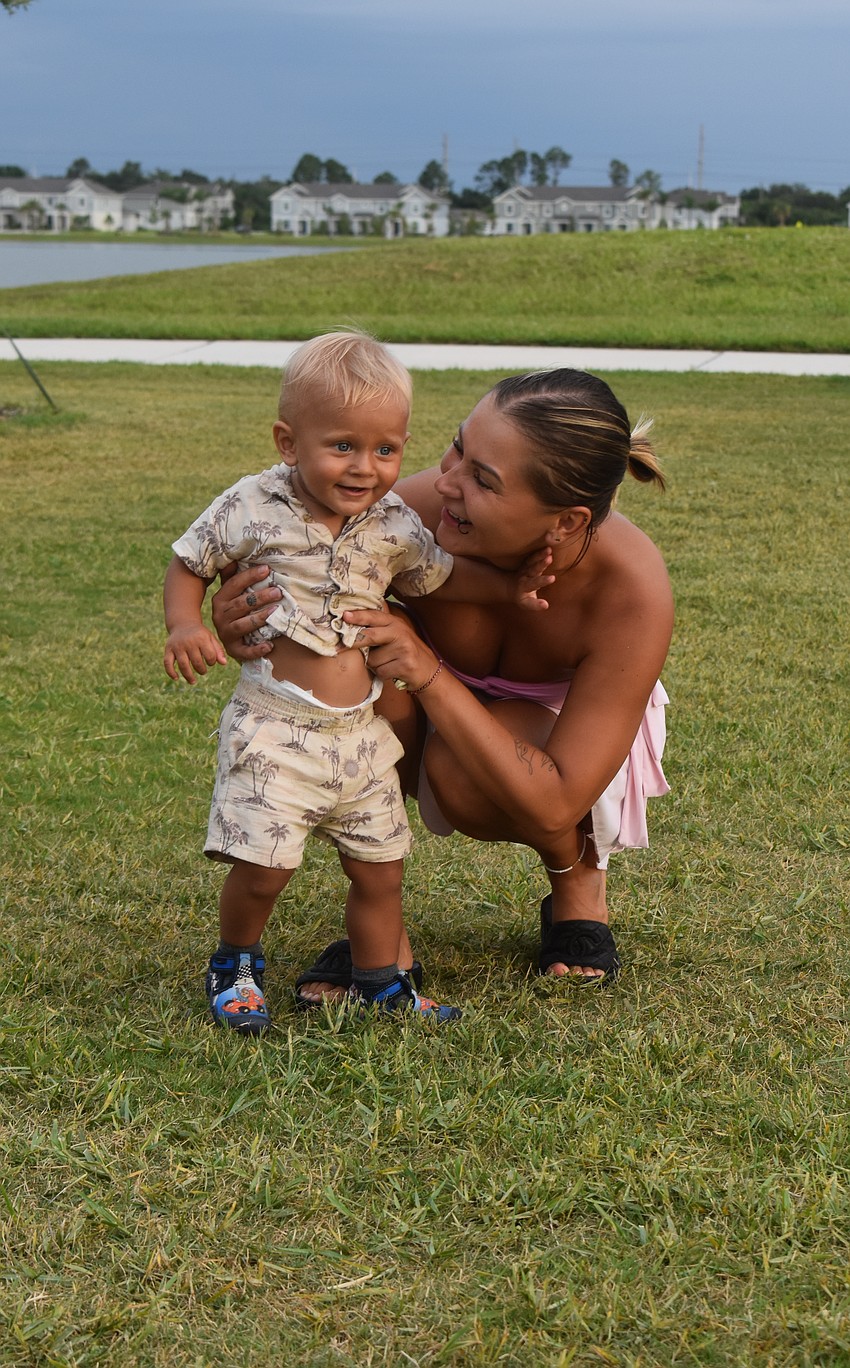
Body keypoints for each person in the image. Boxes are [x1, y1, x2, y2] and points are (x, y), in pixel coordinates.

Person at [211, 365, 674, 1005]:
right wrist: (238, 621)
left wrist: (427, 671)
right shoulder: (410, 514)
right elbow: (285, 573)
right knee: (364, 645)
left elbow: (556, 798)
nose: (447, 482)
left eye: (483, 480)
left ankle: (577, 879)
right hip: (407, 689)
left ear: (565, 522)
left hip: (552, 735)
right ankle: (384, 937)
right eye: (459, 448)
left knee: (463, 774)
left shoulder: (630, 588)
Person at [163, 331, 550, 1033]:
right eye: (342, 446)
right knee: (264, 868)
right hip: (276, 727)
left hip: (362, 736)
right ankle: (236, 963)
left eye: (386, 449)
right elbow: (191, 560)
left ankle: (381, 983)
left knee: (381, 869)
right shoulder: (252, 505)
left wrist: (510, 591)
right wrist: (186, 624)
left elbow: (447, 576)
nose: (365, 467)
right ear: (289, 441)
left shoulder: (394, 522)